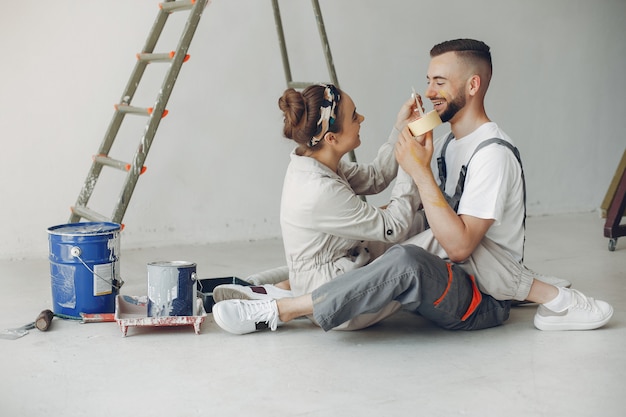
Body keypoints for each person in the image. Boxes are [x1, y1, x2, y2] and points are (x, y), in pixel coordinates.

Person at [212, 38, 613, 334]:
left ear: (471, 86)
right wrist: (412, 165)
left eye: (439, 81)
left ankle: (268, 296)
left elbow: (378, 182)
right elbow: (400, 225)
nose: (428, 92)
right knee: (422, 233)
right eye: (428, 80)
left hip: (391, 274)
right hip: (340, 280)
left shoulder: (488, 153)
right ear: (331, 138)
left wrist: (404, 145)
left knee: (430, 235)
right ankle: (267, 295)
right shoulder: (322, 183)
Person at [214, 83, 428, 330]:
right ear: (331, 137)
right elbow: (395, 227)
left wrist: (401, 129)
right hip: (335, 298)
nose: (362, 119)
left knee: (417, 220)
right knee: (430, 242)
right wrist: (415, 167)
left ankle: (265, 288)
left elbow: (375, 177)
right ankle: (279, 296)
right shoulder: (319, 189)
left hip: (334, 263)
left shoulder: (317, 161)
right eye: (354, 116)